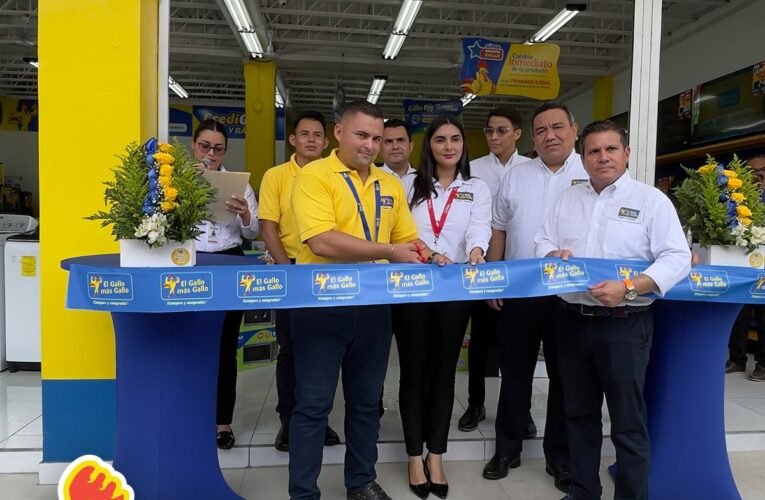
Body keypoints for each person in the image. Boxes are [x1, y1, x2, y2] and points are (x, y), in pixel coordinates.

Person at [534, 120, 691, 500]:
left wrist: (629, 288)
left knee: (627, 423)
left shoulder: (650, 200)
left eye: (610, 149)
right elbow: (542, 241)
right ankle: (583, 492)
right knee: (578, 416)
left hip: (626, 325)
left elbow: (677, 257)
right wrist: (552, 254)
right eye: (593, 151)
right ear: (583, 157)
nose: (602, 157)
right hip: (572, 322)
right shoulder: (567, 199)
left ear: (626, 154)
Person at [289, 100, 427, 500]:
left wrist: (430, 255)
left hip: (372, 307)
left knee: (367, 404)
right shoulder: (315, 175)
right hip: (321, 306)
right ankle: (303, 493)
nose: (370, 145)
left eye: (377, 138)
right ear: (339, 133)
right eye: (362, 135)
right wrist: (387, 250)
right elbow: (322, 240)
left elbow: (407, 239)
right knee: (313, 405)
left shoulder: (389, 184)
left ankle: (361, 482)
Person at [482, 103, 587, 493]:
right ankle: (506, 448)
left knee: (565, 378)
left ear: (574, 130)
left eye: (558, 127)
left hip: (570, 294)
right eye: (541, 130)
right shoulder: (516, 175)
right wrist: (494, 279)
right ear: (532, 137)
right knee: (514, 373)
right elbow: (498, 229)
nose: (550, 136)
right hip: (520, 291)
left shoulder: (589, 173)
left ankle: (560, 457)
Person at [395, 115, 490, 499]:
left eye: (455, 139)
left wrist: (477, 250)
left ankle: (437, 455)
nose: (448, 146)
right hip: (414, 287)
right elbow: (400, 232)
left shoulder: (476, 188)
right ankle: (414, 457)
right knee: (414, 374)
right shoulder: (407, 184)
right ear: (429, 146)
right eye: (440, 140)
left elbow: (478, 226)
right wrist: (427, 252)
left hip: (455, 287)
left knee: (445, 374)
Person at [258, 110, 341, 451]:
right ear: (293, 139)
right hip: (291, 268)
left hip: (328, 270)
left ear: (326, 141)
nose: (311, 139)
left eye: (317, 135)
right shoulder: (276, 176)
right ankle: (288, 421)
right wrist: (287, 271)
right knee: (291, 350)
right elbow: (267, 227)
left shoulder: (336, 176)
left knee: (323, 350)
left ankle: (317, 420)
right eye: (304, 134)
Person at [459, 106, 532, 434]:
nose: (493, 137)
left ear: (517, 133)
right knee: (480, 341)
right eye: (489, 131)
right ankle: (476, 403)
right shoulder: (471, 171)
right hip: (482, 267)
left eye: (501, 130)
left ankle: (521, 410)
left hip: (521, 271)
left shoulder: (532, 170)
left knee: (518, 347)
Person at [191, 118, 260, 449]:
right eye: (205, 146)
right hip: (189, 264)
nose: (211, 153)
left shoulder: (239, 183)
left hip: (230, 261)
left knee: (224, 345)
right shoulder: (178, 181)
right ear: (194, 146)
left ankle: (222, 421)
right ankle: (189, 413)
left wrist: (245, 214)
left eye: (218, 149)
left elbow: (253, 232)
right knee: (188, 342)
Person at [726, 154, 765, 380]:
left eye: (762, 171)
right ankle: (737, 360)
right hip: (741, 265)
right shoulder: (737, 200)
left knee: (763, 316)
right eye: (752, 172)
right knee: (738, 315)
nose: (757, 176)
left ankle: (763, 364)